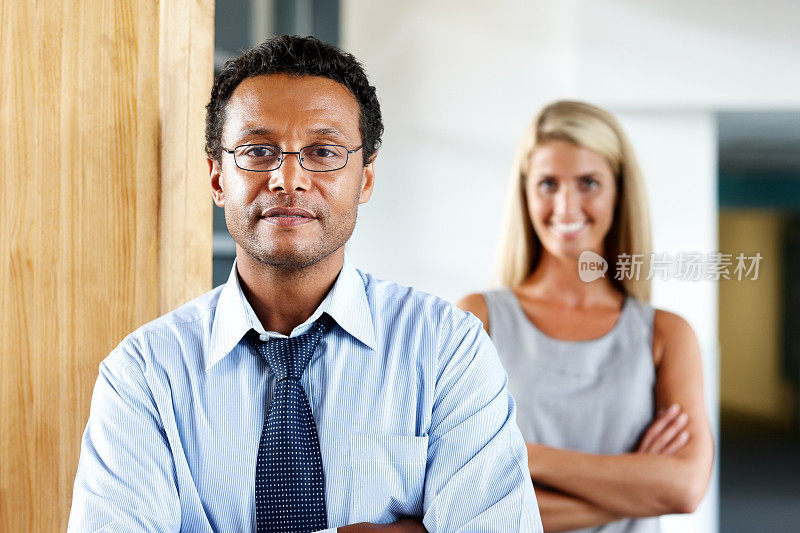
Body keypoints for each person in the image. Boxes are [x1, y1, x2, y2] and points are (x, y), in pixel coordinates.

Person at [67, 36, 542, 533]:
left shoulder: (447, 349)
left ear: (365, 178)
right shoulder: (143, 375)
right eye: (256, 150)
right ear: (216, 178)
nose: (287, 179)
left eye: (322, 151)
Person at [457, 101, 713, 532]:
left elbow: (685, 487)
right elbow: (466, 501)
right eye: (548, 184)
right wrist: (637, 486)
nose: (566, 205)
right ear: (526, 192)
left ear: (618, 192)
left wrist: (523, 455)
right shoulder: (478, 319)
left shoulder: (667, 334)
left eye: (589, 183)